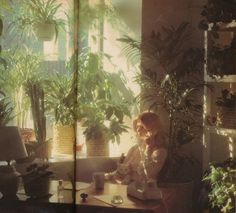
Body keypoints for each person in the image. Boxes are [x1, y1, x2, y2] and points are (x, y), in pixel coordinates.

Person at [106, 111, 168, 184]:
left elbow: (148, 174)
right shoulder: (135, 148)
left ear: (153, 130)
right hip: (126, 187)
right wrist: (109, 176)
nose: (138, 130)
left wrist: (148, 149)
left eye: (142, 127)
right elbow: (122, 172)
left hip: (144, 190)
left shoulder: (159, 152)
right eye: (138, 127)